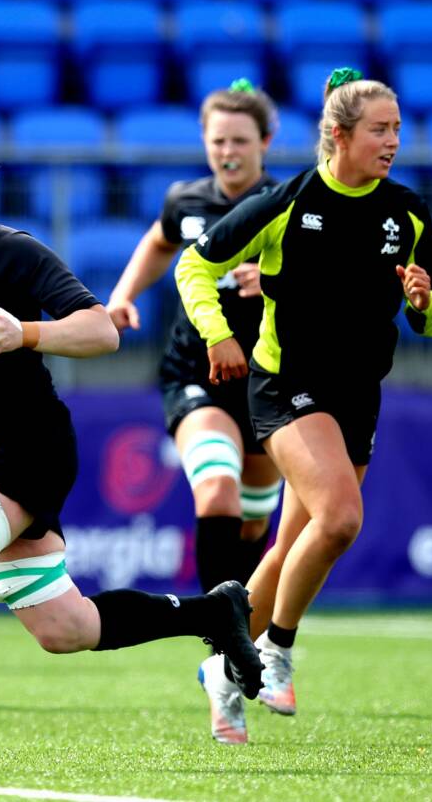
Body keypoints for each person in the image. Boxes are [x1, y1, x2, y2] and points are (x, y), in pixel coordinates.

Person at [0, 118, 264, 772]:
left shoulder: (11, 253)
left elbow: (102, 331)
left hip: (26, 435)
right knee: (63, 628)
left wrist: (24, 334)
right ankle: (213, 610)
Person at [175, 69, 432, 744]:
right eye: (380, 129)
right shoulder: (288, 200)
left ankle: (220, 666)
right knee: (340, 518)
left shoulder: (408, 211)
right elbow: (193, 266)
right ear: (339, 136)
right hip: (284, 384)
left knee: (295, 544)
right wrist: (218, 334)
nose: (393, 140)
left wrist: (424, 303)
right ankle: (275, 649)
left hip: (359, 396)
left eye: (397, 129)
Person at [107, 80, 283, 596]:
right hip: (195, 370)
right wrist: (123, 295)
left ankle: (243, 639)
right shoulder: (185, 200)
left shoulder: (285, 206)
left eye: (240, 142)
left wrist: (274, 279)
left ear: (265, 143)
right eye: (218, 141)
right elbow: (159, 241)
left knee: (251, 523)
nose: (228, 152)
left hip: (267, 377)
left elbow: (320, 282)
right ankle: (219, 635)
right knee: (217, 493)